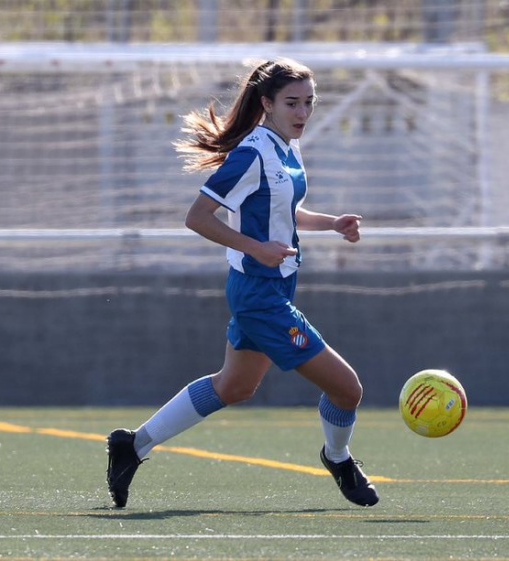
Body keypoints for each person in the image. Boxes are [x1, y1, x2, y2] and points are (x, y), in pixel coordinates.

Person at [106, 58, 378, 509]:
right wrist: (255, 248)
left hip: (270, 287)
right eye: (292, 103)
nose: (303, 113)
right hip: (260, 294)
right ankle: (339, 459)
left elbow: (282, 213)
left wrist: (332, 223)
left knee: (234, 387)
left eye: (309, 102)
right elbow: (197, 218)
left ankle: (131, 447)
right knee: (347, 389)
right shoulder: (252, 153)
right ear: (266, 103)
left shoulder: (286, 147)